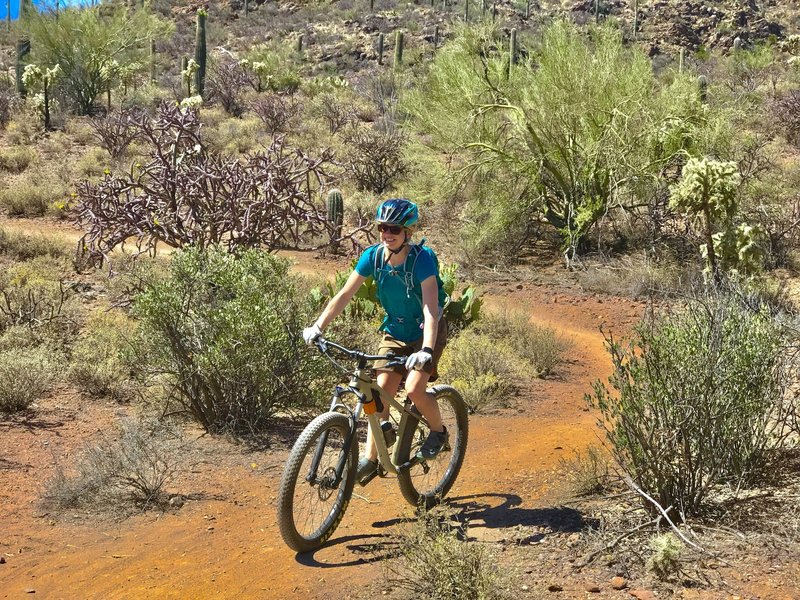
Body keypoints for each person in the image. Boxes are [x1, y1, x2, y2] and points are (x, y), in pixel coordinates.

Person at [303, 198, 449, 483]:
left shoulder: (422, 259)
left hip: (425, 331)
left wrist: (427, 350)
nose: (387, 234)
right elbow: (345, 294)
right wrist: (318, 326)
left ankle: (439, 432)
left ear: (407, 231)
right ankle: (372, 458)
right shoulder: (373, 257)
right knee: (380, 391)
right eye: (383, 227)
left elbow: (430, 308)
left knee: (415, 389)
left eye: (394, 228)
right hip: (395, 330)